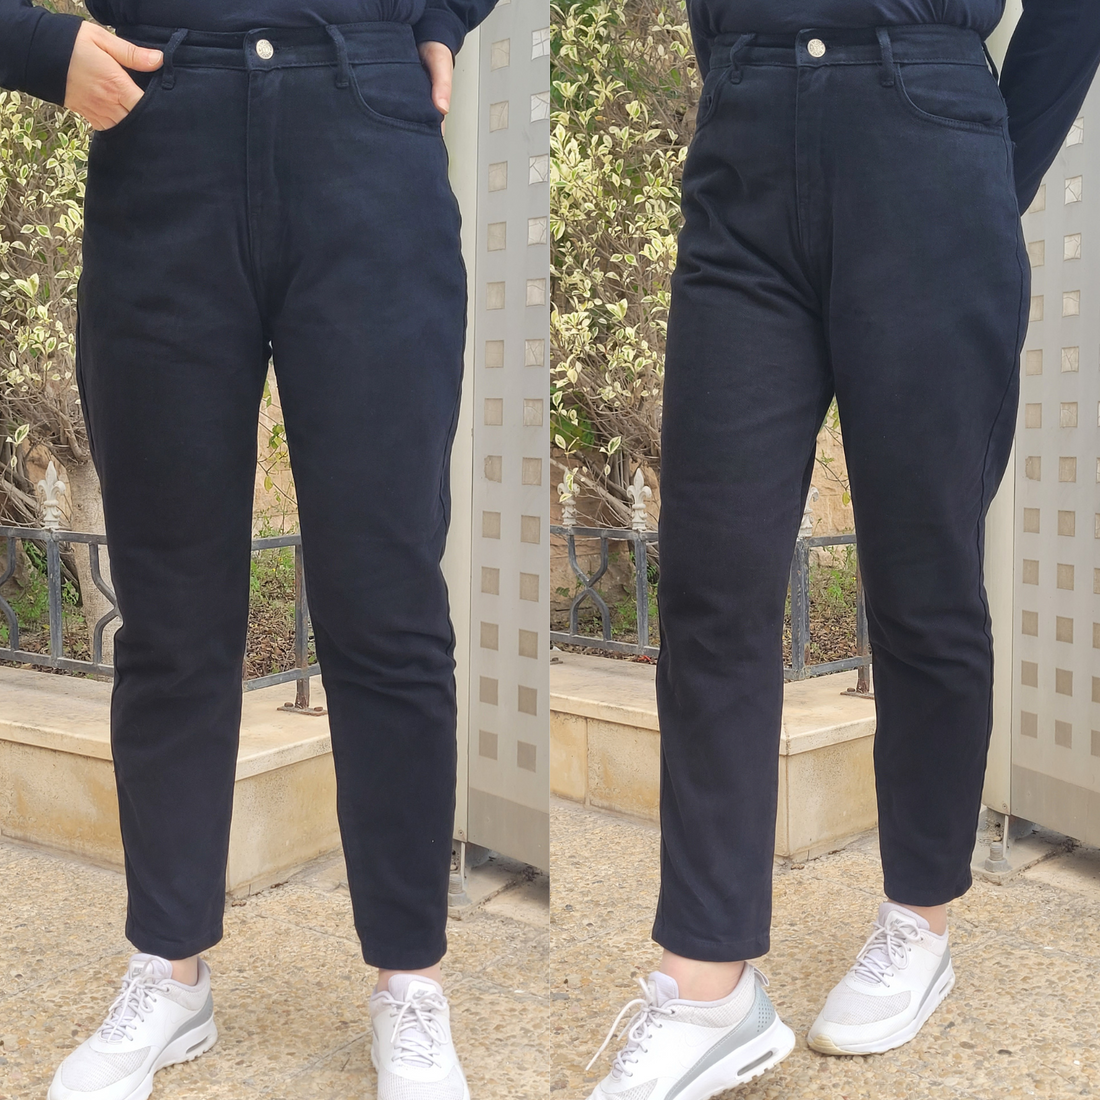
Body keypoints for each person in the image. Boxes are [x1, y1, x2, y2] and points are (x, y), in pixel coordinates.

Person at [585, 2, 1100, 1098]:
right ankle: (707, 983)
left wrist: (985, 166)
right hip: (745, 152)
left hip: (928, 133)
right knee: (711, 581)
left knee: (922, 577)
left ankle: (920, 916)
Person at [0, 1, 496, 1098]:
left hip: (369, 133)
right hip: (159, 127)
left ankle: (408, 982)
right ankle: (168, 969)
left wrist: (440, 16)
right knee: (170, 610)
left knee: (386, 600)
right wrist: (33, 47)